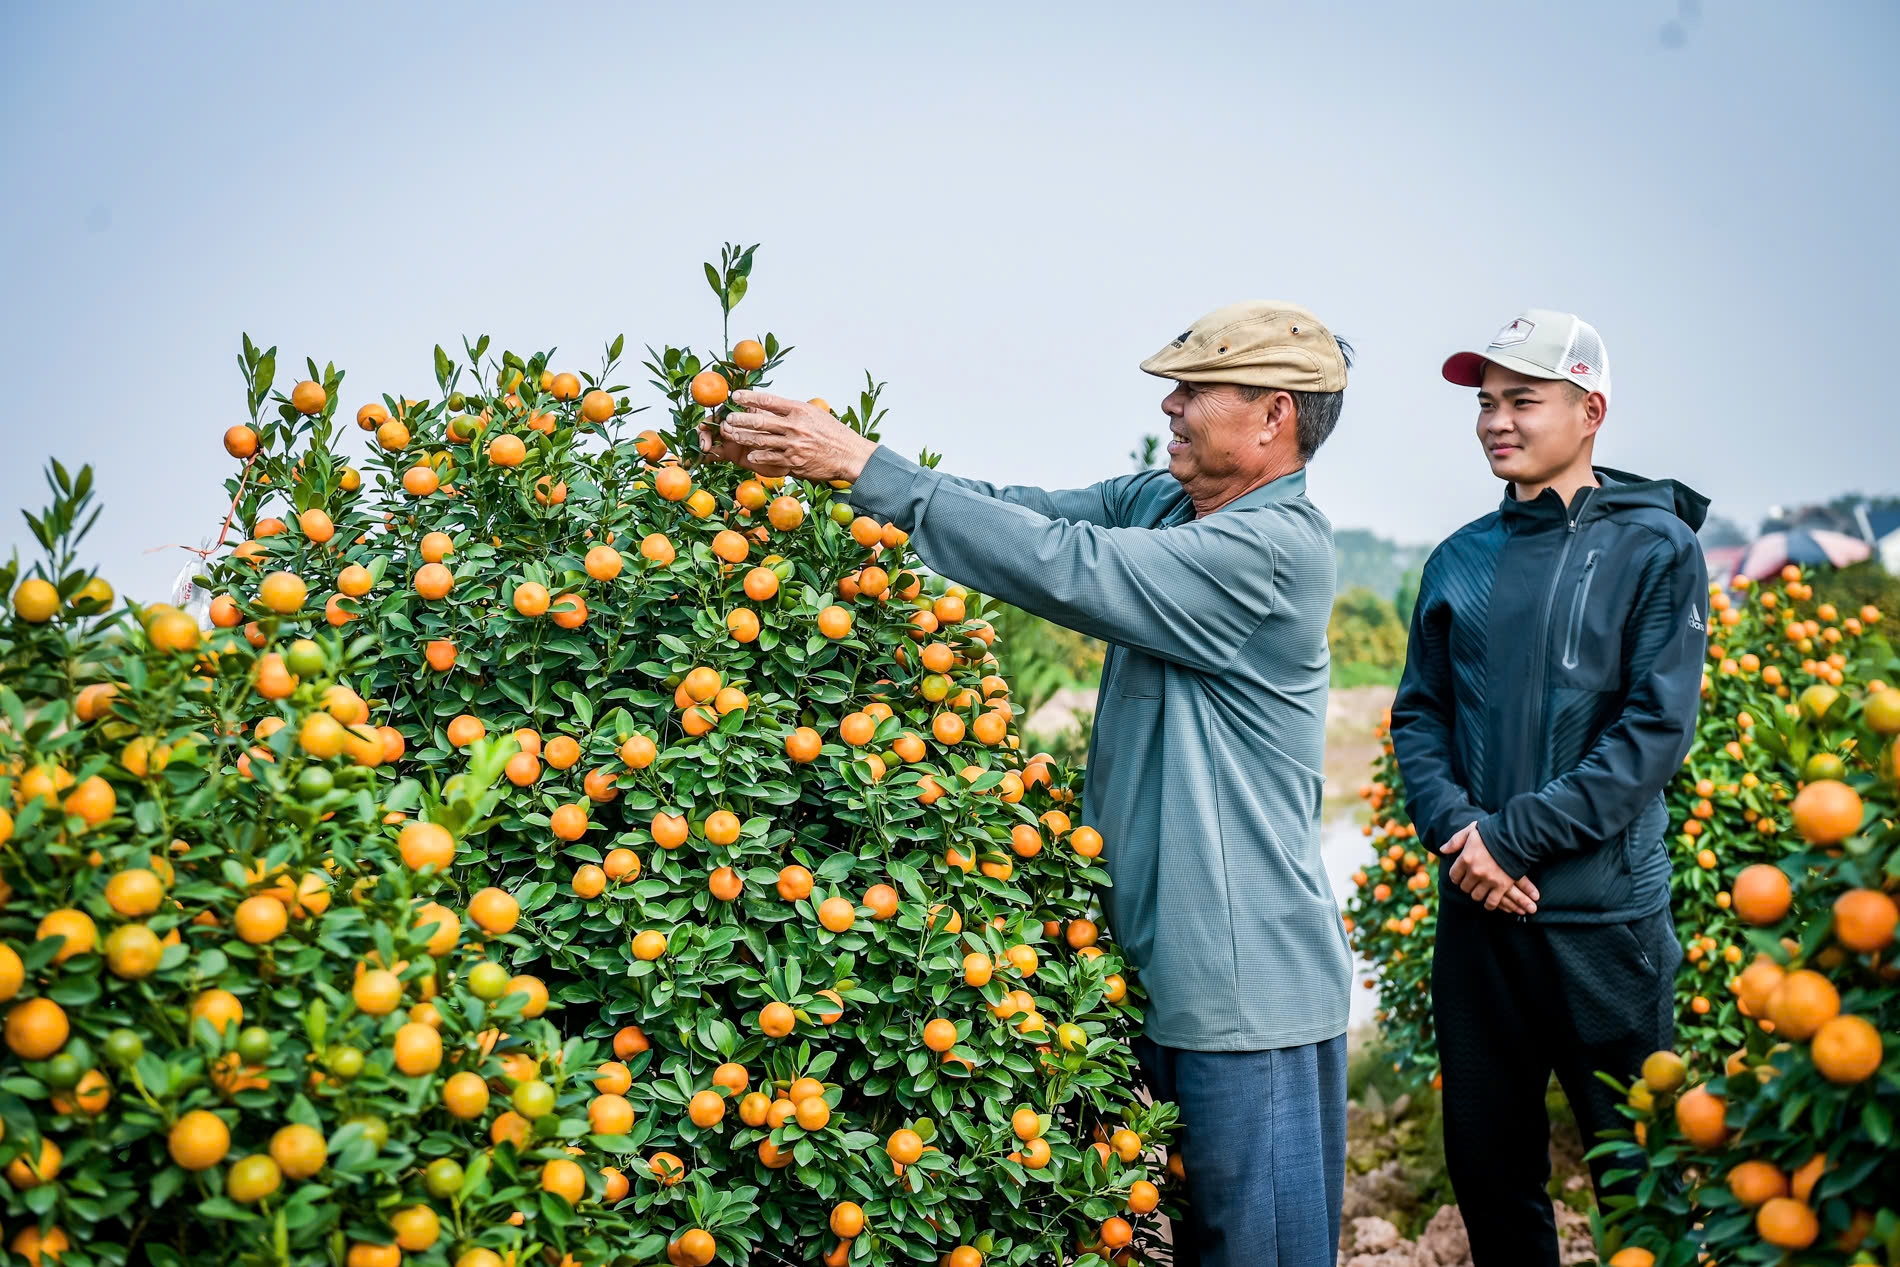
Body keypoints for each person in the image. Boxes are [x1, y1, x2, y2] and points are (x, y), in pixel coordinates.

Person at [699, 301, 1355, 1267]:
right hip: (1155, 970)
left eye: (1192, 390)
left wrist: (865, 468)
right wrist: (829, 469)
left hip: (1245, 990)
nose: (1169, 407)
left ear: (1274, 416)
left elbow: (1066, 565)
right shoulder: (1170, 504)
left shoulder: (1270, 550)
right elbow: (1023, 511)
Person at [1389, 309, 1708, 1265]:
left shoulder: (1656, 549)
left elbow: (1652, 732)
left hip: (1604, 928)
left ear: (1590, 409)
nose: (1496, 421)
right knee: (1491, 1179)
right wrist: (1461, 837)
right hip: (1480, 924)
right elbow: (1418, 716)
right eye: (1486, 403)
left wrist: (1510, 839)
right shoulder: (1459, 560)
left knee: (1641, 1181)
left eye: (1522, 400)